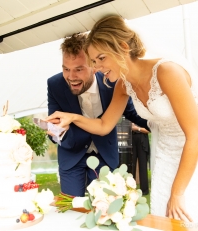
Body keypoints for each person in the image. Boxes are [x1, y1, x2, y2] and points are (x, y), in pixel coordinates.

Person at [45, 15, 198, 222]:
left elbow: (195, 134)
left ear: (123, 48)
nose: (97, 68)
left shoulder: (167, 71)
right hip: (163, 155)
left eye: (100, 59)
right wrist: (72, 118)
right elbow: (103, 125)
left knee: (185, 215)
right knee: (162, 215)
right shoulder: (122, 84)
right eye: (94, 61)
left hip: (191, 151)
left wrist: (178, 193)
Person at [47, 33, 149, 197]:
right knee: (70, 210)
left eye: (79, 69)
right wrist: (59, 130)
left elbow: (131, 112)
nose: (71, 77)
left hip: (105, 154)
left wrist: (157, 126)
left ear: (94, 66)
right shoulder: (54, 85)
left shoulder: (114, 81)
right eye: (66, 69)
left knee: (105, 211)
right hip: (72, 156)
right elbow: (53, 130)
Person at [131, 123, 150, 195]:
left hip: (142, 139)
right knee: (131, 165)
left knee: (143, 165)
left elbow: (148, 130)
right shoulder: (130, 114)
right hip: (131, 138)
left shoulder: (144, 116)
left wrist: (137, 128)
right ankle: (130, 188)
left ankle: (144, 190)